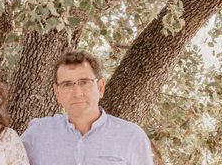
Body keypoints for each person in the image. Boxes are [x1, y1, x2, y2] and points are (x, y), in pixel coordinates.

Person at [21, 50, 154, 165]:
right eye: (67, 84)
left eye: (84, 82)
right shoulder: (37, 135)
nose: (77, 93)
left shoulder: (131, 136)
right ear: (57, 92)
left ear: (100, 87)